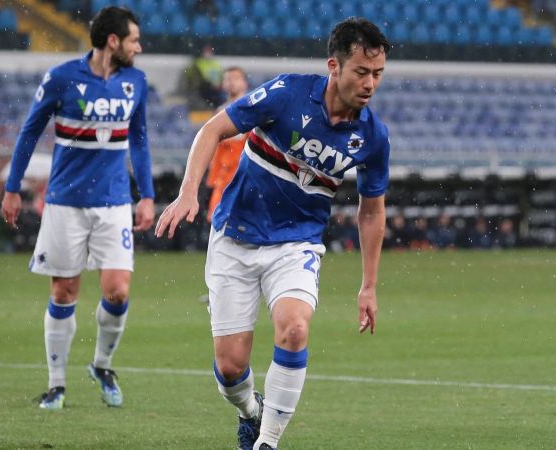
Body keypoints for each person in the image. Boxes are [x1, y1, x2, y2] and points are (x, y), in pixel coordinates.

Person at [154, 17, 390, 450]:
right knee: (229, 368)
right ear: (334, 67)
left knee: (295, 328)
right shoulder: (287, 94)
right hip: (234, 236)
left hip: (296, 243)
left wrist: (369, 285)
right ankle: (251, 412)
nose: (370, 83)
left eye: (377, 73)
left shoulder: (372, 138)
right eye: (361, 71)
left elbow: (371, 212)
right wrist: (188, 192)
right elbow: (213, 129)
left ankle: (268, 442)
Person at [0, 6, 154, 410]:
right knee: (65, 290)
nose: (140, 46)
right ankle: (56, 384)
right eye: (135, 39)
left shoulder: (135, 82)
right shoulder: (63, 78)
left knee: (118, 291)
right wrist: (12, 188)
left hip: (115, 202)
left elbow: (138, 139)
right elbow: (30, 130)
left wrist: (148, 195)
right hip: (65, 203)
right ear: (113, 41)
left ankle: (102, 365)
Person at [205, 67, 250, 221]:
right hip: (224, 177)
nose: (231, 82)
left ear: (245, 83)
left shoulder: (253, 108)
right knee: (218, 221)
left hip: (246, 174)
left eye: (235, 78)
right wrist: (213, 175)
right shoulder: (220, 111)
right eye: (227, 79)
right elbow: (215, 148)